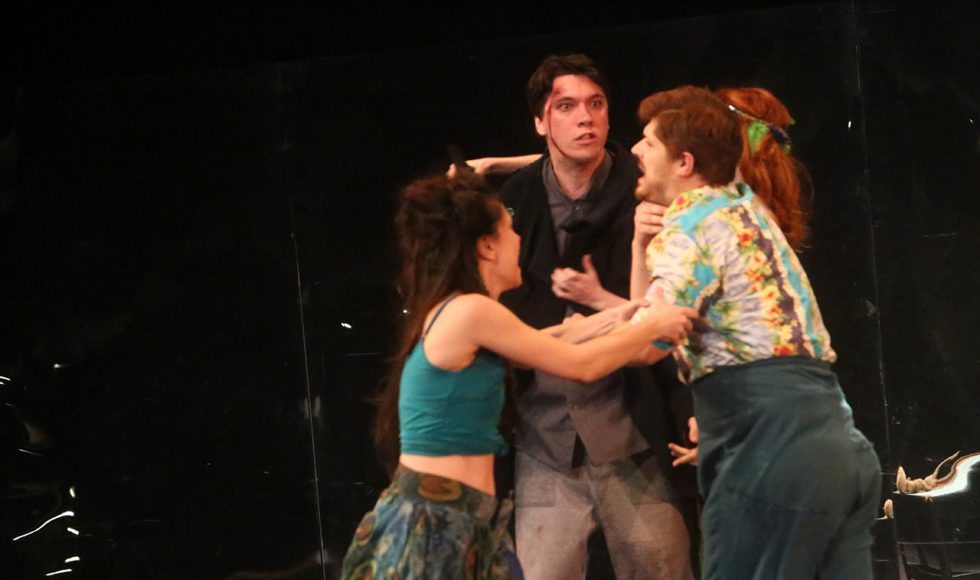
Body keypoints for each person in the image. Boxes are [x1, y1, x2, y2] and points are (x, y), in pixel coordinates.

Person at [339, 172, 698, 579]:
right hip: (436, 519)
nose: (519, 239)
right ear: (487, 246)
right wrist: (652, 327)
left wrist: (615, 317)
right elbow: (581, 364)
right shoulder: (472, 310)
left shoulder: (464, 311)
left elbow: (540, 343)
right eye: (510, 229)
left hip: (459, 516)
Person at [629, 85, 882, 579]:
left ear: (685, 162)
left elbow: (647, 341)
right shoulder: (749, 210)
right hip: (840, 452)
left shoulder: (692, 225)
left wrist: (541, 345)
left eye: (649, 142)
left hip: (771, 458)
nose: (635, 151)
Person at [497, 54, 696, 580]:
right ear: (540, 122)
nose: (585, 118)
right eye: (566, 107)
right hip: (544, 436)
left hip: (634, 430)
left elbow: (682, 312)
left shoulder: (645, 185)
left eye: (596, 104)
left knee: (663, 570)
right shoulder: (516, 198)